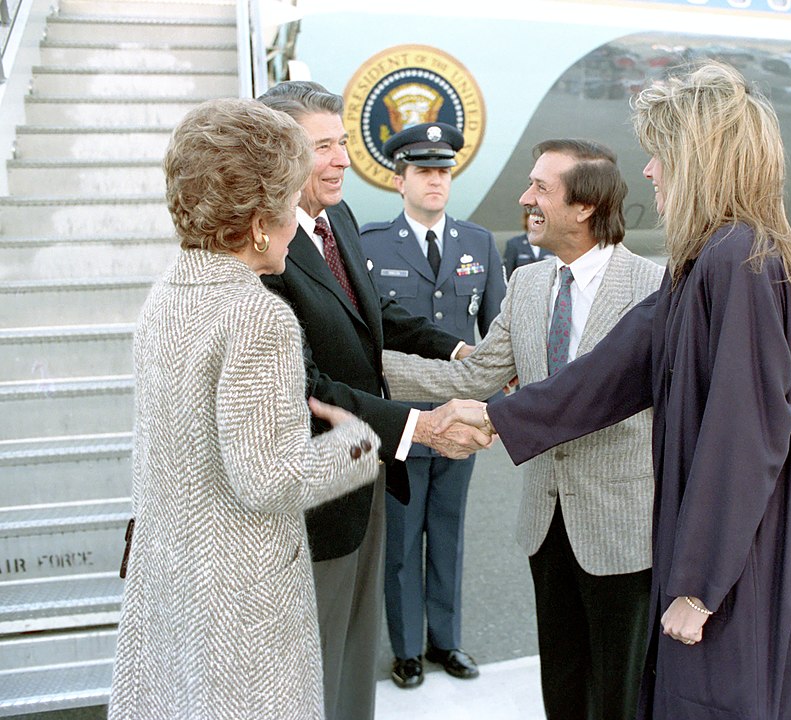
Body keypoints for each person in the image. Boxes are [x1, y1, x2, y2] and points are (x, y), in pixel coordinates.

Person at [443, 61, 791, 719]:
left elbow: (746, 435)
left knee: (720, 703)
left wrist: (699, 588)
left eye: (660, 154)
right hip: (721, 554)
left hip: (738, 563)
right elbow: (611, 370)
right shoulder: (705, 261)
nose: (648, 171)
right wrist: (500, 417)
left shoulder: (736, 262)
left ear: (699, 160)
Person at [108, 98, 382, 720]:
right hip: (242, 605)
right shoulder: (257, 315)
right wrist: (356, 444)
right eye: (289, 203)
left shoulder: (168, 294)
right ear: (261, 221)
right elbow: (269, 479)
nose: (296, 220)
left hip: (173, 585)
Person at [383, 138, 663, 719]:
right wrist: (357, 363)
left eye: (540, 187)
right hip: (546, 521)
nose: (525, 198)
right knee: (562, 686)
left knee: (622, 691)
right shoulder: (531, 285)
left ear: (584, 207)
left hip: (622, 525)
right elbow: (478, 372)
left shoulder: (653, 289)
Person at [256, 82, 490, 720]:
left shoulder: (340, 221)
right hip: (314, 491)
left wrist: (454, 350)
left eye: (342, 144)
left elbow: (373, 315)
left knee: (357, 656)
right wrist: (420, 425)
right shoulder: (263, 248)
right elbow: (305, 387)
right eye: (322, 147)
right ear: (279, 153)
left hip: (365, 472)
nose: (341, 161)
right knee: (315, 665)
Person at [359, 122, 505, 689]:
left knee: (447, 531)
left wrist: (489, 405)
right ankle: (407, 649)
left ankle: (446, 641)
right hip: (406, 420)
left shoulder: (477, 243)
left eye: (443, 171)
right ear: (400, 180)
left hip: (463, 417)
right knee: (401, 539)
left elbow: (495, 330)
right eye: (423, 171)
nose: (435, 181)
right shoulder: (370, 246)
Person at [503, 207, 555, 279]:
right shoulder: (514, 244)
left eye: (541, 217)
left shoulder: (553, 244)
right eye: (533, 216)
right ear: (526, 219)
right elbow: (508, 273)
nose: (537, 220)